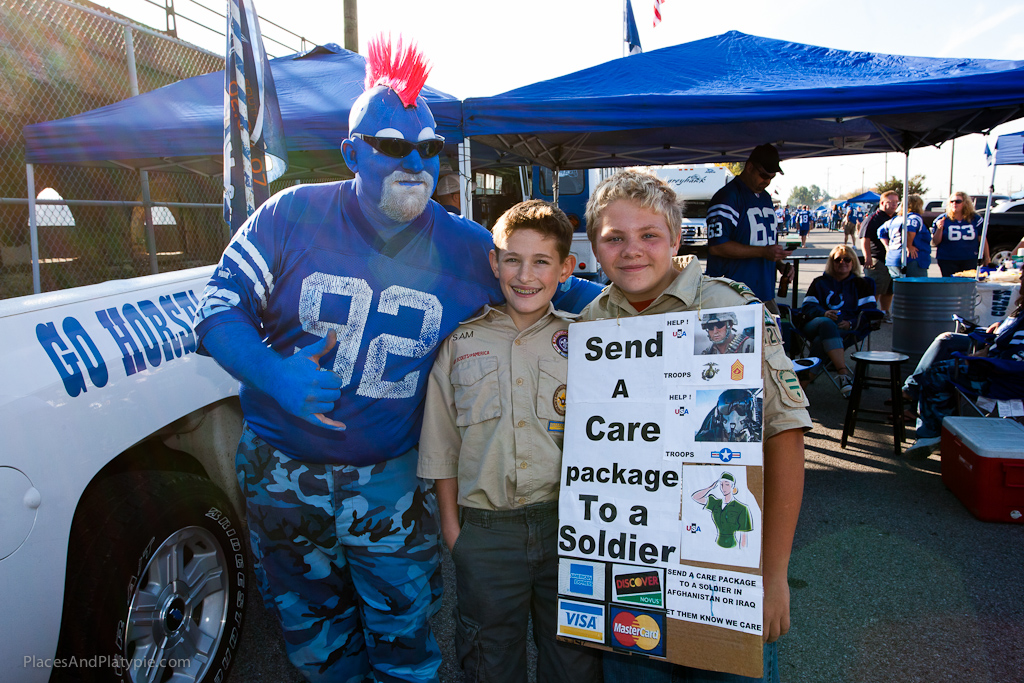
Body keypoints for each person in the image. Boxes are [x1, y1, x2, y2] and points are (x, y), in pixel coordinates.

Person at [192, 37, 600, 682]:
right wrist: (274, 375)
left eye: (429, 148)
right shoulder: (292, 214)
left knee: (404, 639)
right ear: (352, 151)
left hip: (391, 480)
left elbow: (573, 292)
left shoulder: (468, 247)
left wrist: (686, 310)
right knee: (314, 637)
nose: (414, 160)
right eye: (392, 144)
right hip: (282, 472)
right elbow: (217, 306)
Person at [579, 169, 811, 683]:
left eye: (649, 235)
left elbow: (785, 434)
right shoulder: (591, 324)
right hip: (630, 564)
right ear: (594, 245)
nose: (631, 250)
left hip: (722, 569)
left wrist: (774, 575)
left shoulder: (730, 308)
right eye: (614, 238)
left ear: (677, 239)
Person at [417, 200, 600, 683]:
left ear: (566, 268)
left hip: (569, 530)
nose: (525, 275)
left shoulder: (586, 342)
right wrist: (456, 535)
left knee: (575, 659)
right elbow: (442, 447)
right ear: (494, 262)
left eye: (541, 262)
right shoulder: (459, 342)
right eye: (513, 260)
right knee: (488, 658)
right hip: (487, 532)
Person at [903, 268, 1024, 457]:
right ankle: (923, 408)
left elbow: (1015, 355)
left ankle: (932, 431)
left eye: (1023, 277)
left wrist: (984, 360)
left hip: (1005, 377)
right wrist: (1000, 328)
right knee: (946, 345)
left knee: (938, 373)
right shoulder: (1021, 310)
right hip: (997, 363)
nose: (1020, 279)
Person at [706, 143, 793, 313]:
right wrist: (764, 252)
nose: (767, 182)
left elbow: (763, 244)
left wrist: (779, 264)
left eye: (771, 177)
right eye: (763, 175)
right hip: (732, 296)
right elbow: (717, 246)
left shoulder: (765, 198)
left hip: (764, 293)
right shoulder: (727, 197)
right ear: (750, 167)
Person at [799, 244, 882, 398]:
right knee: (826, 323)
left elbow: (869, 311)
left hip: (846, 329)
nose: (842, 262)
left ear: (853, 262)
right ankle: (843, 373)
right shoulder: (819, 282)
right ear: (832, 262)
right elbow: (807, 307)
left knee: (820, 341)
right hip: (816, 324)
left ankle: (800, 389)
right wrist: (824, 313)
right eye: (838, 260)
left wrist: (851, 323)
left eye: (847, 259)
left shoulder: (861, 284)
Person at [859, 190, 899, 322]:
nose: (894, 205)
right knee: (875, 289)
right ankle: (870, 314)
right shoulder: (873, 218)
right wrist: (868, 257)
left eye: (896, 202)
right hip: (877, 259)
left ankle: (884, 312)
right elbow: (865, 239)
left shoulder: (897, 218)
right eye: (890, 202)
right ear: (882, 203)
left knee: (888, 290)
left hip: (892, 260)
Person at [931, 191, 990, 277]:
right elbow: (935, 242)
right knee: (950, 283)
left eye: (958, 201)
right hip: (948, 259)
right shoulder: (942, 219)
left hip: (970, 258)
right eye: (952, 201)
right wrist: (939, 229)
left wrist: (987, 257)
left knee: (968, 283)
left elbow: (982, 239)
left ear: (965, 203)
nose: (954, 203)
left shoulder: (976, 219)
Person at [692, 472, 753, 549]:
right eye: (721, 484)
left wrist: (741, 553)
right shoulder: (715, 503)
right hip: (716, 545)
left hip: (732, 547)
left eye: (727, 484)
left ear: (732, 486)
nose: (724, 488)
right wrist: (710, 487)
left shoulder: (742, 508)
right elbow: (695, 497)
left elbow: (744, 538)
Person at [879, 194, 931, 278]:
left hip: (892, 258)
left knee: (898, 284)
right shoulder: (914, 217)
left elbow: (881, 231)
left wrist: (887, 247)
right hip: (911, 258)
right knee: (917, 285)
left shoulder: (895, 219)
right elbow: (910, 228)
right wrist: (908, 245)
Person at [695, 387, 765, 443]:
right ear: (719, 414)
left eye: (740, 408)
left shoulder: (760, 437)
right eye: (726, 408)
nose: (733, 415)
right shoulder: (706, 437)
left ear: (750, 413)